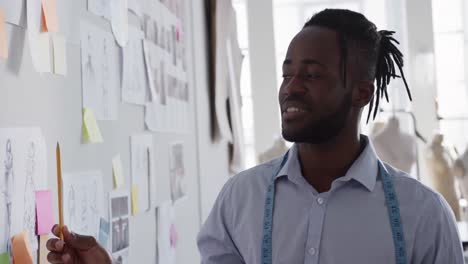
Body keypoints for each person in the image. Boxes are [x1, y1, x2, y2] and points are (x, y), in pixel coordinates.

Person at [46, 9, 463, 264]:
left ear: (361, 92)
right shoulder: (241, 199)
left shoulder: (422, 216)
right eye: (287, 73)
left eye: (312, 74)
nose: (291, 87)